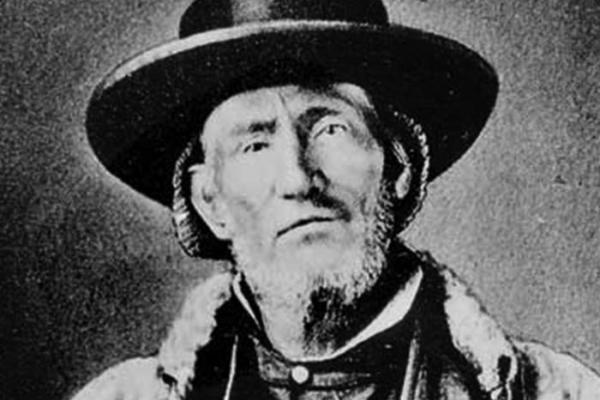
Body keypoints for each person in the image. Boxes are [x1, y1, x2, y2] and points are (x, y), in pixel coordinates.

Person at [73, 0, 600, 399]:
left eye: (330, 129)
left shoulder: (554, 392)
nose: (297, 179)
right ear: (209, 201)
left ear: (398, 167)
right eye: (254, 145)